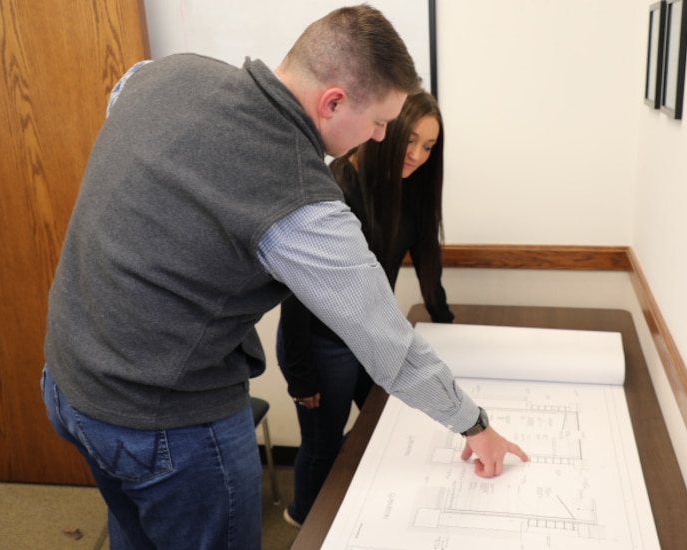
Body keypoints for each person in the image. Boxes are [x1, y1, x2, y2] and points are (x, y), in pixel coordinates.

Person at [41, 5, 528, 549]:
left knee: (133, 534)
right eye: (380, 122)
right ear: (333, 101)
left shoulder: (166, 73)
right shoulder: (302, 200)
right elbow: (386, 341)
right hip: (165, 422)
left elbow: (121, 108)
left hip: (68, 381)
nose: (380, 135)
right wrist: (474, 424)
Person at [277, 90, 454, 527]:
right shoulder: (333, 190)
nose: (417, 156)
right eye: (410, 141)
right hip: (320, 343)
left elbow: (427, 261)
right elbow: (297, 293)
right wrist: (301, 373)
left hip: (367, 335)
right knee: (322, 444)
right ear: (385, 131)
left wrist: (446, 321)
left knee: (387, 421)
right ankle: (305, 522)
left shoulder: (408, 187)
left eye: (429, 147)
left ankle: (346, 515)